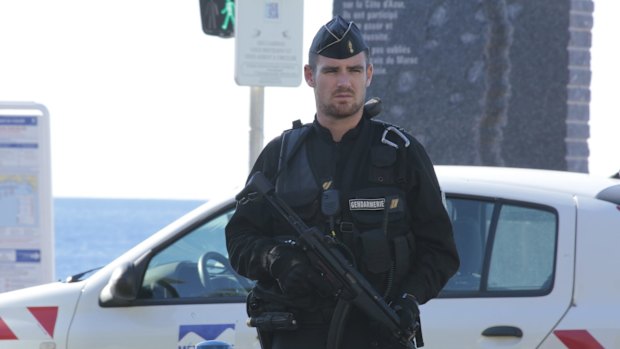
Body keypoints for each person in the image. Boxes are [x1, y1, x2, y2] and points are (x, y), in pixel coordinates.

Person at [225, 15, 460, 349]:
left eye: (353, 70)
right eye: (331, 70)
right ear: (310, 76)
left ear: (369, 74)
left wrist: (409, 299)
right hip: (298, 332)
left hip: (377, 332)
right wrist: (275, 258)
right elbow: (239, 238)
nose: (343, 81)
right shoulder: (280, 156)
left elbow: (440, 251)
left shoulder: (401, 153)